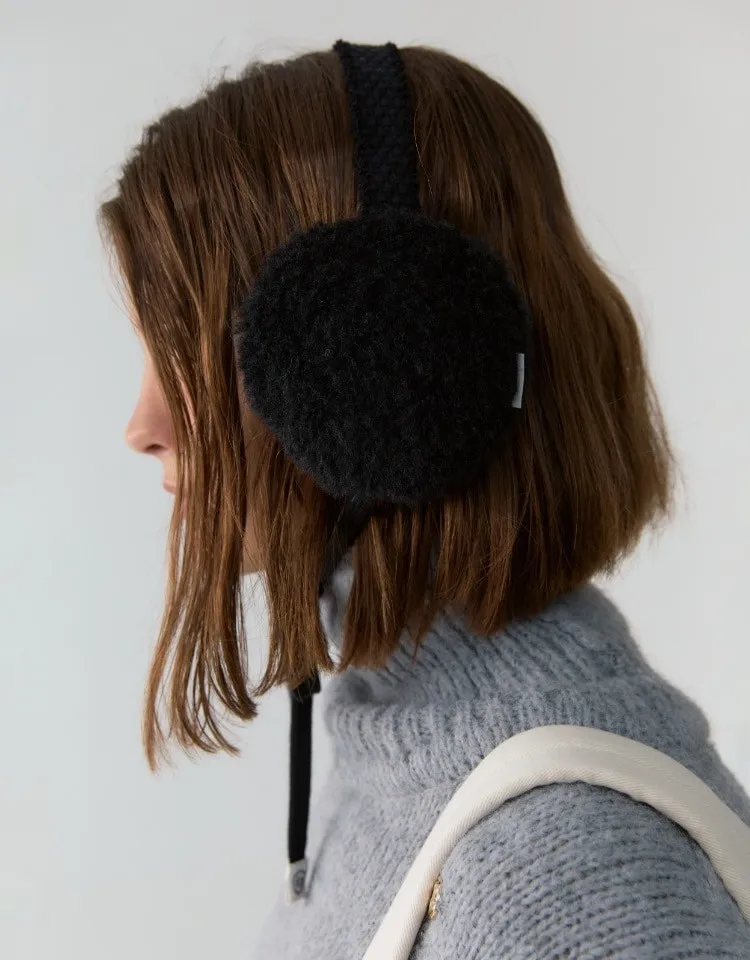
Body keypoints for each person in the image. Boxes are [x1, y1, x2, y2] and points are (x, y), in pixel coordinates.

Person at [99, 39, 750, 959]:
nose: (143, 424)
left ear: (388, 352)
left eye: (184, 354)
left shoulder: (565, 877)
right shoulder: (404, 734)